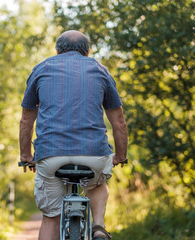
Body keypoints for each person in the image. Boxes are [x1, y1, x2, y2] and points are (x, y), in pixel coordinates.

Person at [19, 30, 128, 240]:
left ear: (57, 50)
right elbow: (119, 122)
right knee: (97, 184)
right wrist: (120, 156)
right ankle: (98, 227)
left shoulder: (41, 69)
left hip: (50, 154)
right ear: (87, 52)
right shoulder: (100, 70)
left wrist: (26, 156)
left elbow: (26, 120)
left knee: (51, 217)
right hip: (93, 154)